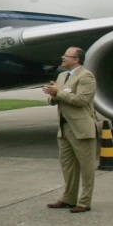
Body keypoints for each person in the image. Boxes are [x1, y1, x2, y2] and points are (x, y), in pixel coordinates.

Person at [42, 46, 98, 213]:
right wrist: (52, 95)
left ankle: (84, 202)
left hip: (81, 129)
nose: (63, 57)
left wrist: (58, 92)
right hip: (64, 128)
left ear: (77, 59)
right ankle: (68, 199)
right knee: (68, 167)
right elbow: (55, 99)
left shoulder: (86, 76)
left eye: (67, 55)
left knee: (86, 168)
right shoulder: (61, 76)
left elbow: (81, 100)